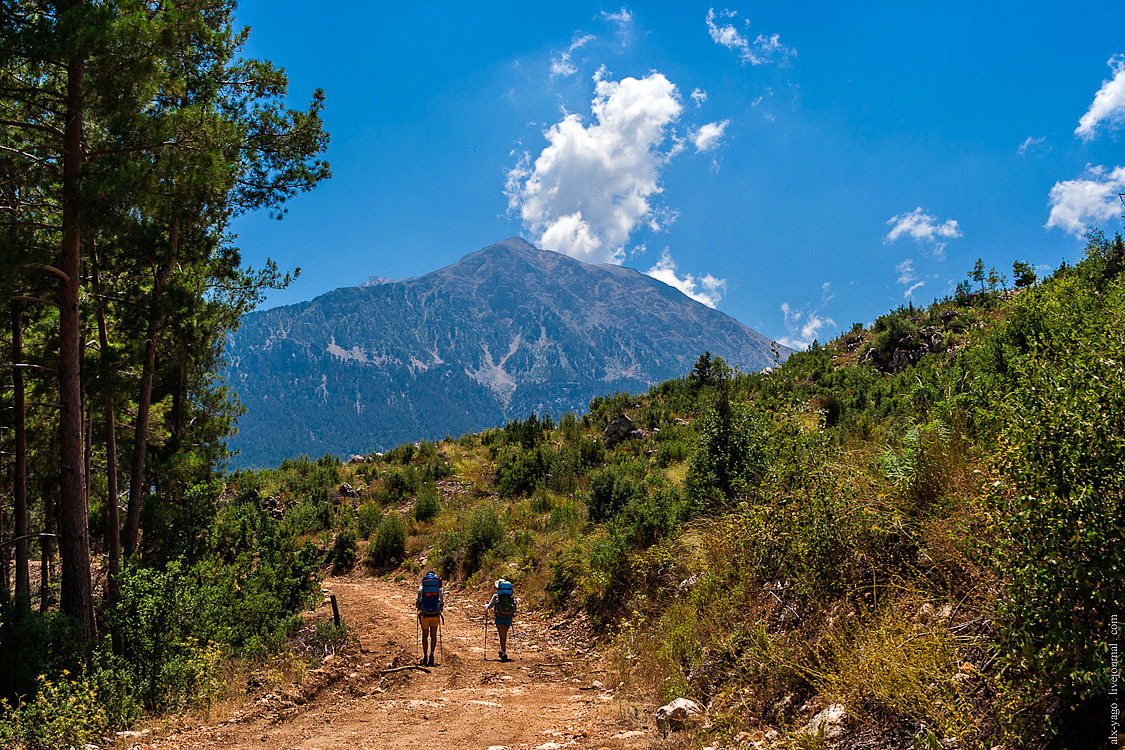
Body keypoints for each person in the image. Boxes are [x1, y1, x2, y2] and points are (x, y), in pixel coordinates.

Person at [484, 579, 517, 661]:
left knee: (501, 635)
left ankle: (504, 651)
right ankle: (503, 650)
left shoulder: (496, 596)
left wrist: (485, 606)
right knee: (504, 634)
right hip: (508, 617)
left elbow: (489, 606)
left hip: (499, 617)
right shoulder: (511, 596)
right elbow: (515, 607)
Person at [416, 571, 444, 666]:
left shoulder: (422, 588)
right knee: (433, 635)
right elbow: (442, 603)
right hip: (435, 615)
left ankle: (425, 656)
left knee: (425, 635)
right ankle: (432, 654)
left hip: (424, 615)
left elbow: (417, 603)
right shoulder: (439, 590)